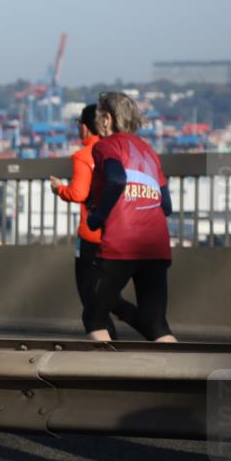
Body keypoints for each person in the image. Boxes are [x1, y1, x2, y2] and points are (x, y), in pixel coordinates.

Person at [82, 92, 177, 343]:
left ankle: (105, 375)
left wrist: (99, 216)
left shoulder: (106, 146)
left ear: (107, 118)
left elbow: (116, 179)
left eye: (98, 116)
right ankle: (186, 377)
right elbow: (166, 205)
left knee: (93, 315)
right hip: (156, 246)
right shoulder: (148, 152)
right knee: (155, 324)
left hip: (121, 244)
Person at [49, 104, 139, 338]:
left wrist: (60, 189)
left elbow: (78, 194)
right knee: (108, 296)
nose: (78, 127)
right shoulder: (119, 151)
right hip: (121, 234)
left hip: (91, 236)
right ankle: (153, 328)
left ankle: (109, 348)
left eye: (78, 122)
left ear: (87, 128)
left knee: (90, 298)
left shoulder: (84, 155)